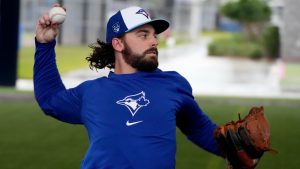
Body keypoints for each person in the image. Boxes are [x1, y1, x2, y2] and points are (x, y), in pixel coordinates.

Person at [34, 4, 223, 169]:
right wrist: (45, 44)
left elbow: (198, 128)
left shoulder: (173, 84)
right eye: (143, 35)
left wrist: (238, 149)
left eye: (154, 35)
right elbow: (50, 99)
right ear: (118, 43)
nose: (154, 41)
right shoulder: (92, 92)